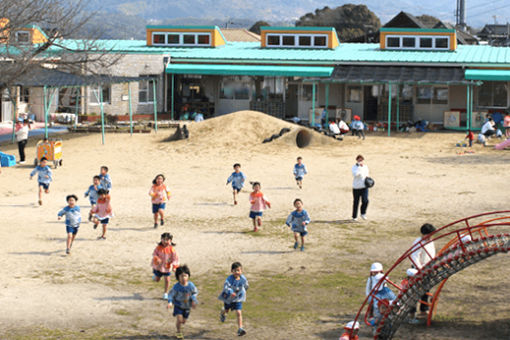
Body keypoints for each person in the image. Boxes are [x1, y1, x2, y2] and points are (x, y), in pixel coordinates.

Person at [410, 223, 437, 314]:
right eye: (428, 235)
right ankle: (412, 310)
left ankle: (424, 308)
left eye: (431, 235)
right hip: (418, 269)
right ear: (423, 234)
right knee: (415, 290)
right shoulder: (418, 243)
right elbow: (415, 258)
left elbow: (432, 254)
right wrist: (420, 270)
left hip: (428, 267)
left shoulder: (431, 242)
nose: (430, 237)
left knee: (426, 288)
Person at [167, 265, 198, 340]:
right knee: (179, 319)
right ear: (178, 277)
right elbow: (170, 295)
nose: (184, 278)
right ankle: (178, 331)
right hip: (178, 305)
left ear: (188, 276)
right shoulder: (176, 287)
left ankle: (181, 322)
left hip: (187, 306)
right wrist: (170, 302)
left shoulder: (191, 285)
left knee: (183, 321)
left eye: (185, 276)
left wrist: (194, 300)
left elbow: (194, 292)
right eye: (181, 276)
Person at [218, 262, 249, 337]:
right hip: (229, 298)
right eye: (235, 270)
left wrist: (243, 291)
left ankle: (240, 328)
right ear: (232, 271)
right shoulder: (229, 279)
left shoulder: (243, 278)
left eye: (238, 270)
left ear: (241, 271)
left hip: (238, 298)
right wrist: (231, 292)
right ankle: (222, 313)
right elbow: (226, 287)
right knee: (226, 310)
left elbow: (246, 285)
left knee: (238, 312)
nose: (237, 272)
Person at [152, 232, 179, 300]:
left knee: (167, 280)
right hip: (159, 267)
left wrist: (174, 266)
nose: (165, 241)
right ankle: (155, 277)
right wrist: (157, 259)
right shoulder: (158, 248)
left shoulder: (172, 249)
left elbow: (175, 258)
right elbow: (154, 254)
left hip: (167, 267)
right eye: (163, 239)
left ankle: (165, 293)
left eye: (167, 240)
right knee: (157, 280)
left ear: (170, 241)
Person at [351, 155, 369, 221]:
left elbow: (367, 175)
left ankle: (363, 213)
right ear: (357, 160)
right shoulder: (354, 167)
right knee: (356, 202)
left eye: (361, 160)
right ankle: (354, 216)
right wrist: (359, 168)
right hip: (356, 187)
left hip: (364, 187)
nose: (360, 161)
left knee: (365, 200)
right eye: (359, 160)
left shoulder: (366, 167)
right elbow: (355, 174)